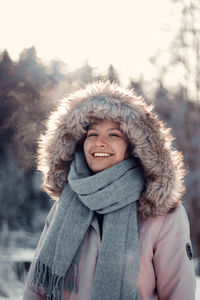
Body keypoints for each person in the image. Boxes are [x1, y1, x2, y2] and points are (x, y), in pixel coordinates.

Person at [23, 81, 196, 300]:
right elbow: (36, 289)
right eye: (92, 134)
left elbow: (179, 294)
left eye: (114, 135)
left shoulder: (161, 215)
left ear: (132, 146)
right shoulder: (63, 207)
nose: (99, 143)